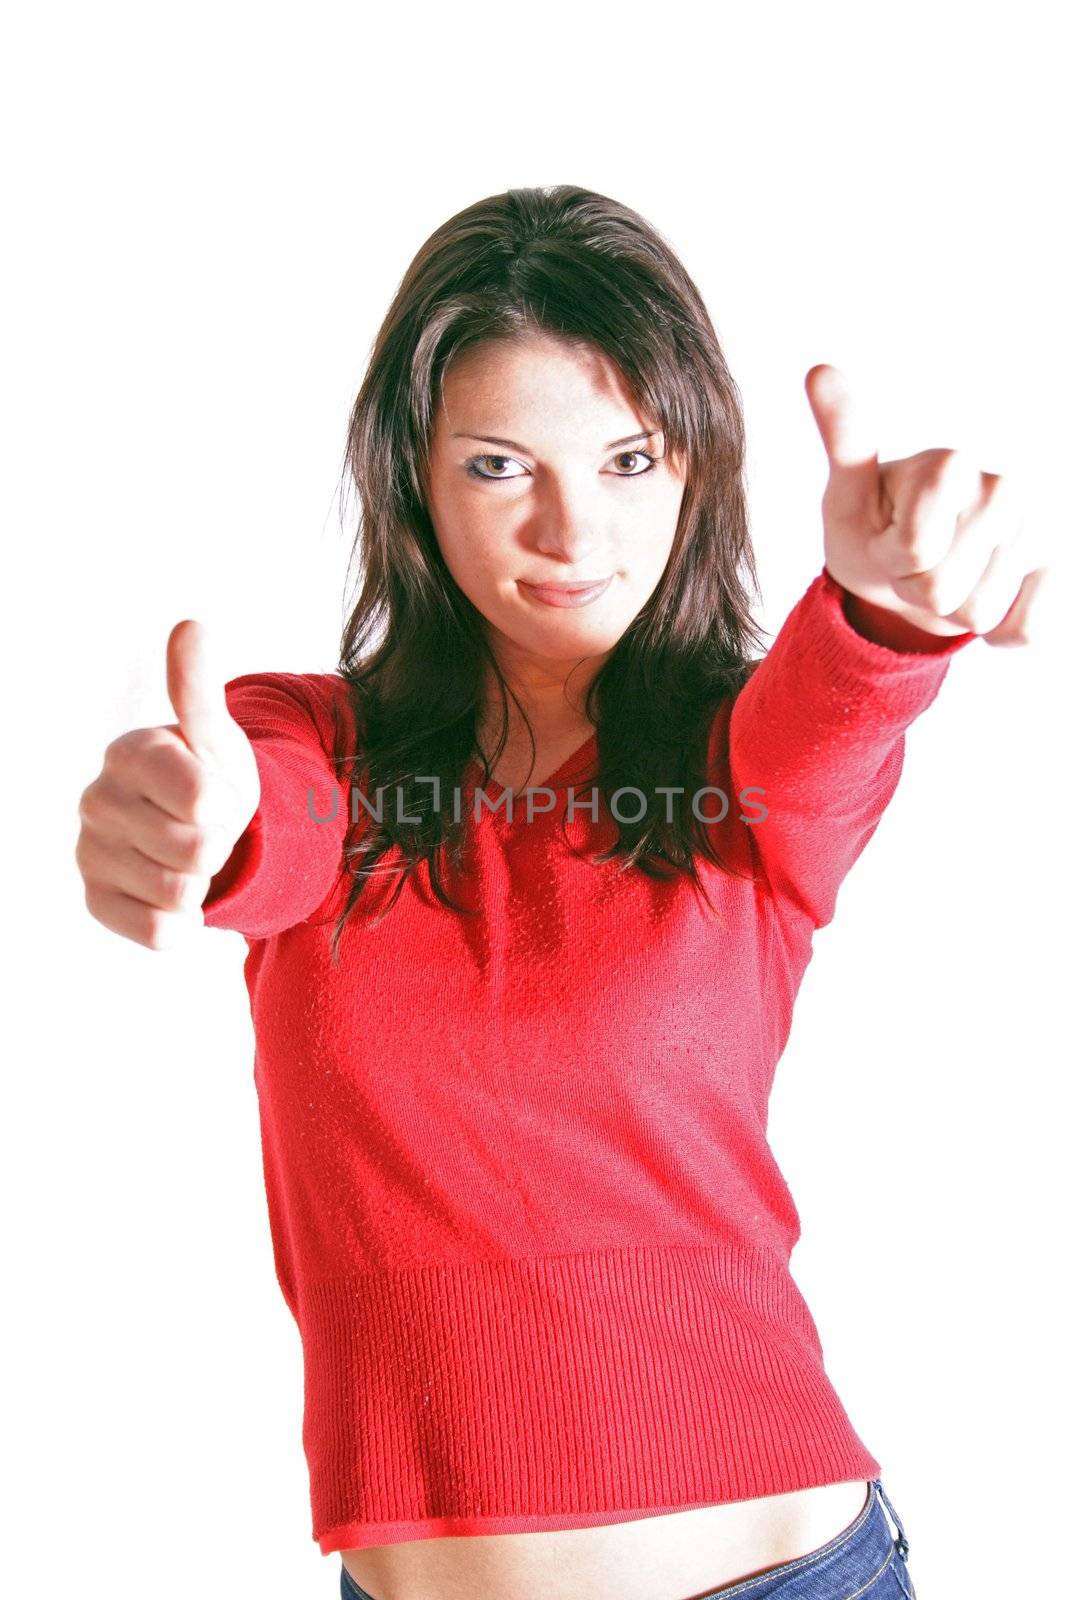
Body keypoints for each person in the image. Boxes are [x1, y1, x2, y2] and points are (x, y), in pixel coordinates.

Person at [75, 185, 1046, 1599]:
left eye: (630, 458)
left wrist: (892, 610)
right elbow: (263, 809)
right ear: (414, 476)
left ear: (699, 467)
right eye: (497, 467)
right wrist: (195, 819)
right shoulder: (317, 744)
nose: (570, 529)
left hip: (785, 1573)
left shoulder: (734, 762)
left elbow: (833, 719)